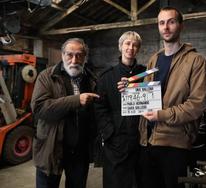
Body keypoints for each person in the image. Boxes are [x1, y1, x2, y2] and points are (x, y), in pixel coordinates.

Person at [118, 7, 206, 188]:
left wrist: (162, 115)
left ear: (180, 26)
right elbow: (147, 92)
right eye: (161, 23)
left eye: (171, 22)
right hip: (148, 140)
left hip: (175, 143)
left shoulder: (196, 61)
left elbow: (197, 104)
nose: (166, 27)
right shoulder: (154, 59)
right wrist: (129, 88)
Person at [31, 38, 100, 188]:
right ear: (62, 55)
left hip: (79, 151)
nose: (74, 60)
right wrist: (76, 100)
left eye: (79, 55)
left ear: (85, 57)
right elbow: (39, 108)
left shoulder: (92, 79)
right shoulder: (46, 76)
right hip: (51, 147)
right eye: (69, 55)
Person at [94, 31, 146, 188]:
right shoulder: (106, 76)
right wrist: (109, 132)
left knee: (141, 179)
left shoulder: (146, 74)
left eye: (135, 45)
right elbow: (99, 107)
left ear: (138, 49)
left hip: (141, 137)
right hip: (116, 140)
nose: (131, 48)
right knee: (116, 181)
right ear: (120, 47)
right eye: (127, 44)